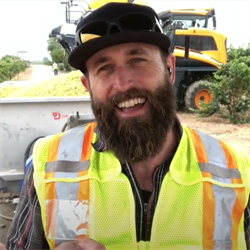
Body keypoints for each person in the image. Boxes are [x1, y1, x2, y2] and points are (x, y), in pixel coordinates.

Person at [4, 3, 250, 250]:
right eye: (104, 68)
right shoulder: (49, 163)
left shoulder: (235, 169)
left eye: (137, 60)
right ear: (88, 87)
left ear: (169, 69)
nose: (122, 83)